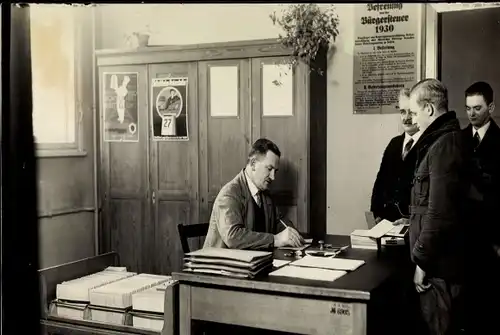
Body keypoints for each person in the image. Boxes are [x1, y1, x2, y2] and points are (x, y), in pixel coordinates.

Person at [404, 78, 467, 335]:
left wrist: (422, 264)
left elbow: (439, 212)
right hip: (436, 262)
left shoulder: (444, 144)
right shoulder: (443, 140)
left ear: (429, 109)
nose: (413, 119)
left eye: (415, 112)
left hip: (437, 266)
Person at [203, 138, 304, 249]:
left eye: (275, 171)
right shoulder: (229, 194)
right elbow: (233, 237)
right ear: (253, 164)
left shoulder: (265, 194)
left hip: (252, 262)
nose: (273, 177)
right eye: (269, 169)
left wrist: (292, 234)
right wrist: (275, 239)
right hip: (223, 263)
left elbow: (279, 222)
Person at [462, 81, 500, 329]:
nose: (472, 114)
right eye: (468, 108)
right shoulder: (457, 140)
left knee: (488, 304)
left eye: (477, 108)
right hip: (462, 234)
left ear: (491, 107)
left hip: (491, 234)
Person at [370, 88, 421, 223]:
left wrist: (412, 221)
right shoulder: (394, 143)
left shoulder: (427, 145)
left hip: (412, 224)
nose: (406, 118)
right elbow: (380, 181)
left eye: (411, 112)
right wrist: (376, 214)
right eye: (403, 112)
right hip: (387, 223)